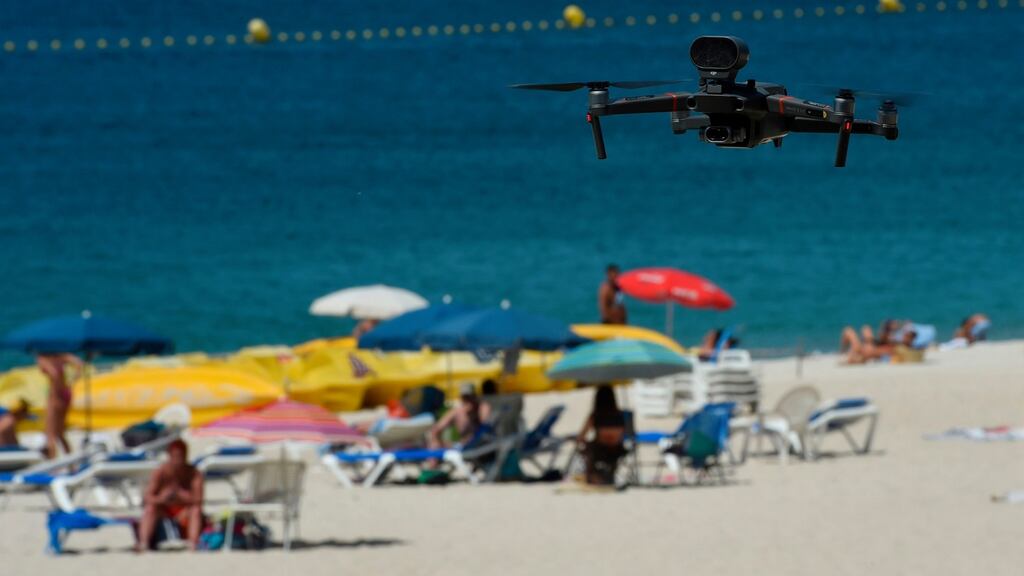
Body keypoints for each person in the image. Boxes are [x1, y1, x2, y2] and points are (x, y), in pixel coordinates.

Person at [136, 439, 204, 552]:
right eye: (176, 456)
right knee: (150, 509)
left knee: (195, 510)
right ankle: (144, 543)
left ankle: (193, 544)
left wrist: (183, 495)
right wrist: (161, 498)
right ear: (170, 456)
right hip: (164, 510)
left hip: (185, 510)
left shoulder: (193, 473)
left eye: (181, 456)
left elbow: (199, 500)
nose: (178, 459)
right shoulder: (161, 472)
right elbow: (147, 497)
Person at [576, 385, 626, 485]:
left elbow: (582, 436)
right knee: (596, 447)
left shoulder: (596, 415)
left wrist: (582, 441)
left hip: (599, 450)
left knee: (587, 448)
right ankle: (610, 475)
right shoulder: (620, 415)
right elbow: (624, 433)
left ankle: (591, 476)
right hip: (618, 450)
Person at [36, 353, 82, 458]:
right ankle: (72, 464)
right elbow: (79, 363)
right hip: (65, 392)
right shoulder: (61, 356)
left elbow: (54, 374)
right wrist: (74, 379)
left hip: (55, 395)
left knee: (50, 435)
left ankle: (52, 466)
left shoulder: (43, 358)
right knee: (60, 434)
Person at [427, 382, 492, 449]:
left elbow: (485, 427)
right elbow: (436, 430)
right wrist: (442, 443)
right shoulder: (457, 412)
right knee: (433, 445)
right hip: (464, 448)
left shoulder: (482, 408)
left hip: (481, 447)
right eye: (465, 398)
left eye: (470, 397)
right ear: (461, 398)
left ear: (475, 397)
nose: (468, 401)